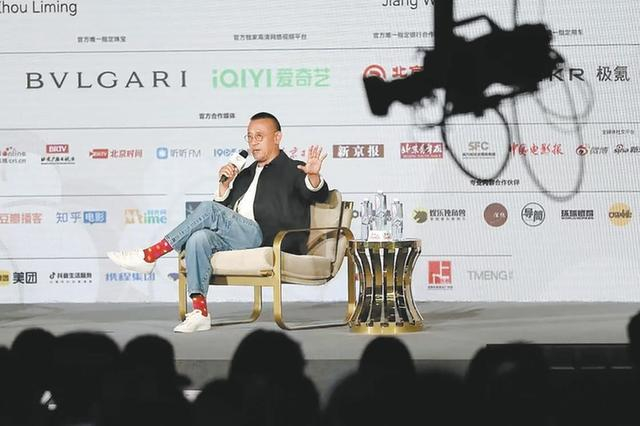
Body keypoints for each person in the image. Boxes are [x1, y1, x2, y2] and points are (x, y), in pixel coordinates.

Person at [108, 112, 329, 332]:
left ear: (277, 137)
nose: (253, 142)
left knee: (208, 209)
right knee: (198, 238)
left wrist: (313, 177)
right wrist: (224, 186)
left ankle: (150, 255)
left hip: (267, 238)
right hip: (239, 237)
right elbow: (223, 214)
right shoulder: (245, 174)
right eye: (249, 137)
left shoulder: (294, 169)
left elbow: (317, 195)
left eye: (259, 136)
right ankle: (200, 312)